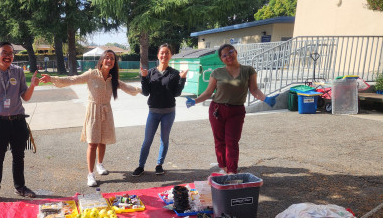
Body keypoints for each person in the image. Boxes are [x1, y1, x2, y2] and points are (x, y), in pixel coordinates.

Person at [40, 50, 141, 187]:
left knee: (103, 140)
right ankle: (90, 174)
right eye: (107, 58)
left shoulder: (113, 78)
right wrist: (52, 79)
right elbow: (72, 79)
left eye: (112, 58)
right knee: (93, 143)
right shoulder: (91, 74)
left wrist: (142, 89)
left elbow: (127, 88)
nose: (109, 60)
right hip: (93, 111)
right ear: (101, 60)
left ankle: (100, 164)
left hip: (106, 112)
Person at [186, 43, 277, 174]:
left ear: (235, 52)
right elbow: (208, 93)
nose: (228, 56)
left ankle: (232, 171)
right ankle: (223, 167)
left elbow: (254, 89)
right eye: (224, 55)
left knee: (232, 142)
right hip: (217, 110)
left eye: (230, 52)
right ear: (221, 59)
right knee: (219, 141)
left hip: (236, 111)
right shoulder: (217, 72)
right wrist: (194, 101)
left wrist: (266, 98)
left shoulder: (248, 70)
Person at [0, 42, 40, 206]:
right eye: (4, 52)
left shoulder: (18, 71)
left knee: (19, 156)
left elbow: (25, 97)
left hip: (18, 120)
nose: (8, 56)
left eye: (11, 53)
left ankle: (20, 187)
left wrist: (32, 85)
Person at [132, 44, 188, 177]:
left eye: (167, 53)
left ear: (170, 55)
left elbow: (176, 93)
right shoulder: (151, 72)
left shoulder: (174, 73)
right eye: (162, 53)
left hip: (169, 112)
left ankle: (159, 165)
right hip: (153, 112)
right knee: (147, 140)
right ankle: (141, 166)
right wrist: (144, 78)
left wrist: (182, 79)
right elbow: (146, 93)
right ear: (158, 55)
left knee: (164, 139)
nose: (164, 55)